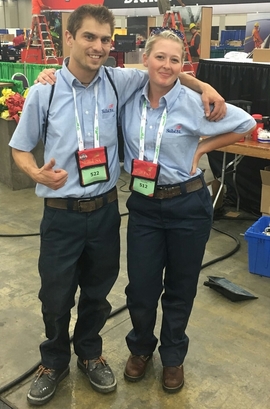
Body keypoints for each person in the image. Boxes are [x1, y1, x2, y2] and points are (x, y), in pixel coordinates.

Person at [10, 4, 226, 407]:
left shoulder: (118, 81)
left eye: (105, 39)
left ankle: (90, 354)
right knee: (55, 296)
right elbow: (20, 149)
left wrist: (206, 87)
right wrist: (36, 173)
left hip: (107, 212)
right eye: (89, 37)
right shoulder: (46, 89)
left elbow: (165, 70)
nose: (98, 46)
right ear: (69, 39)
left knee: (98, 292)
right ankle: (53, 361)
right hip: (61, 214)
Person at [120, 29, 256, 394]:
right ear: (145, 59)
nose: (166, 65)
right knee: (142, 287)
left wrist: (201, 150)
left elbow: (246, 124)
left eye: (175, 60)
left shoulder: (196, 103)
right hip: (145, 206)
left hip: (188, 205)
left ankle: (174, 357)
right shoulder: (129, 95)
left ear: (184, 66)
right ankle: (141, 347)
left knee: (180, 288)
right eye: (159, 57)